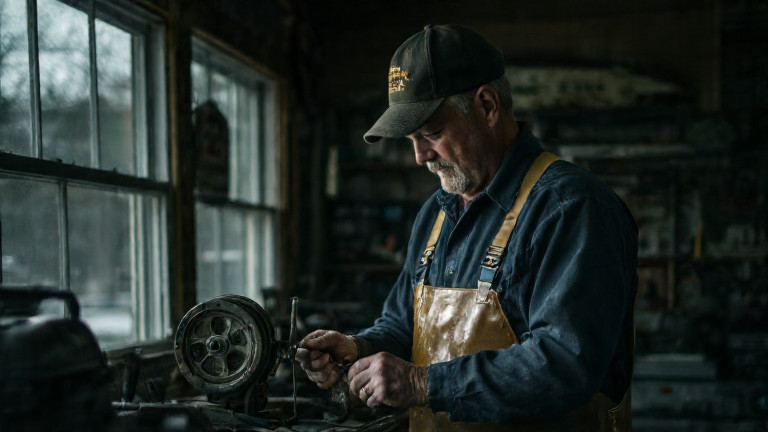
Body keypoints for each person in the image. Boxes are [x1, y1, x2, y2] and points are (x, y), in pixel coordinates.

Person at [296, 24, 638, 431]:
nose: (420, 156)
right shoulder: (435, 214)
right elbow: (404, 325)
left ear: (488, 106)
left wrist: (421, 383)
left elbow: (564, 363)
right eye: (411, 139)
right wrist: (358, 348)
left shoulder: (570, 208)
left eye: (432, 133)